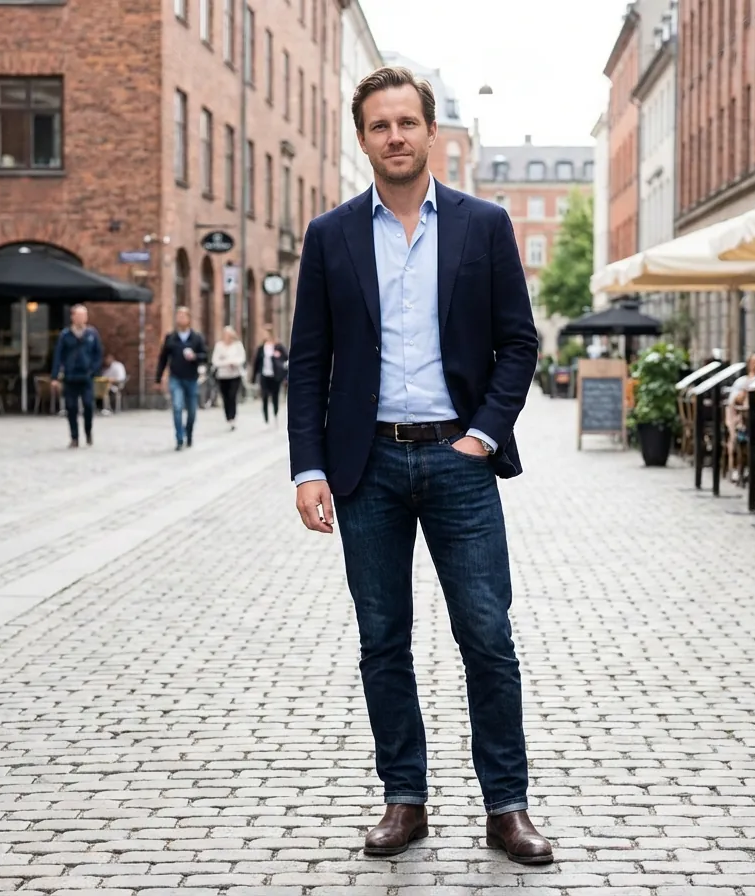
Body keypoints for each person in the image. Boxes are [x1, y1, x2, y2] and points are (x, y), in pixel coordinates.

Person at [287, 66, 549, 865]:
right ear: (361, 137)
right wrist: (308, 470)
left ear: (432, 133)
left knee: (487, 636)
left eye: (407, 123)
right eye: (379, 125)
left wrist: (484, 433)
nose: (395, 137)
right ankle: (406, 799)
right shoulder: (331, 235)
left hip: (458, 461)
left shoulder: (483, 224)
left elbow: (518, 343)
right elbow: (309, 362)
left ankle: (507, 808)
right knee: (382, 639)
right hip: (366, 467)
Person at [155, 306, 208, 450]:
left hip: (191, 378)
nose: (180, 319)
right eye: (178, 316)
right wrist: (158, 378)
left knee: (191, 411)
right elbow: (163, 358)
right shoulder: (171, 338)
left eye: (183, 316)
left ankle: (188, 433)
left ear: (189, 319)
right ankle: (179, 438)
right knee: (177, 407)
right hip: (176, 377)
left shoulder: (196, 338)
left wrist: (195, 357)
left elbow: (205, 356)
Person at [50, 304, 104, 448]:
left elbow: (98, 354)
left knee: (88, 405)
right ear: (73, 317)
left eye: (83, 316)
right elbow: (58, 356)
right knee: (71, 407)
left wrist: (93, 370)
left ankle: (88, 431)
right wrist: (55, 377)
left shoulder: (92, 334)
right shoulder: (65, 335)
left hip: (86, 377)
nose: (81, 319)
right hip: (70, 376)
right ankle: (74, 437)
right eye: (78, 315)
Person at [210, 325, 247, 429]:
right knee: (225, 397)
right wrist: (227, 362)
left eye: (229, 335)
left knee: (232, 396)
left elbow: (242, 358)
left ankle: (233, 417)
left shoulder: (237, 345)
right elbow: (215, 361)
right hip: (223, 375)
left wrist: (233, 362)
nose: (227, 337)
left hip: (235, 375)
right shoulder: (219, 346)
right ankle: (228, 416)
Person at [251, 327, 288, 424]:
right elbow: (256, 363)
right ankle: (266, 418)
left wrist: (278, 357)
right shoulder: (261, 348)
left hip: (275, 375)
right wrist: (253, 377)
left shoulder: (278, 346)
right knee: (265, 396)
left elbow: (286, 358)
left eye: (266, 333)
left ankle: (275, 414)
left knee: (275, 396)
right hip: (264, 374)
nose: (264, 336)